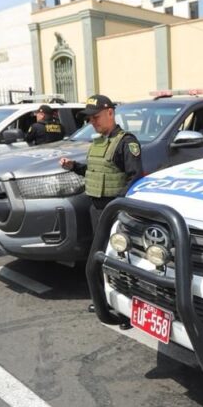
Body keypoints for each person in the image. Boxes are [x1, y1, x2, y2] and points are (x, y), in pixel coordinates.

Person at [58, 95, 142, 324]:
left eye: (95, 117)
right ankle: (105, 299)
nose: (92, 122)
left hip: (113, 210)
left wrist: (118, 206)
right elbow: (95, 171)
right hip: (96, 209)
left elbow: (134, 179)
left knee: (120, 258)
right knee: (102, 256)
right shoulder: (98, 143)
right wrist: (74, 166)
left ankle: (127, 307)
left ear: (110, 113)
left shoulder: (126, 142)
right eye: (89, 119)